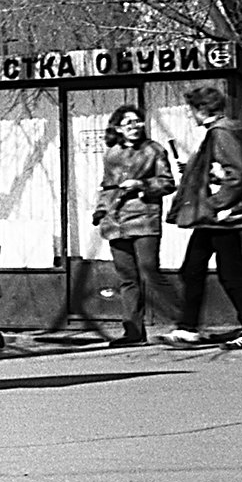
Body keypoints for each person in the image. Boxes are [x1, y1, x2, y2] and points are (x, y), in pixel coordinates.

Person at [165, 85, 242, 348]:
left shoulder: (221, 132)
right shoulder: (219, 132)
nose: (191, 116)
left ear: (201, 109)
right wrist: (195, 168)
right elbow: (221, 170)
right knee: (193, 268)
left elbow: (236, 174)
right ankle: (188, 328)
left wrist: (215, 204)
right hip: (213, 216)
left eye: (192, 110)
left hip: (221, 216)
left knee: (231, 272)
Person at [94, 105, 176, 347]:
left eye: (138, 122)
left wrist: (141, 184)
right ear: (118, 128)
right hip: (116, 221)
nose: (135, 127)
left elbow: (167, 183)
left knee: (149, 270)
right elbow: (107, 185)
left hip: (144, 219)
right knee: (127, 278)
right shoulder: (112, 153)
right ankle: (133, 331)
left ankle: (182, 323)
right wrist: (100, 208)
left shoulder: (154, 150)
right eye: (128, 123)